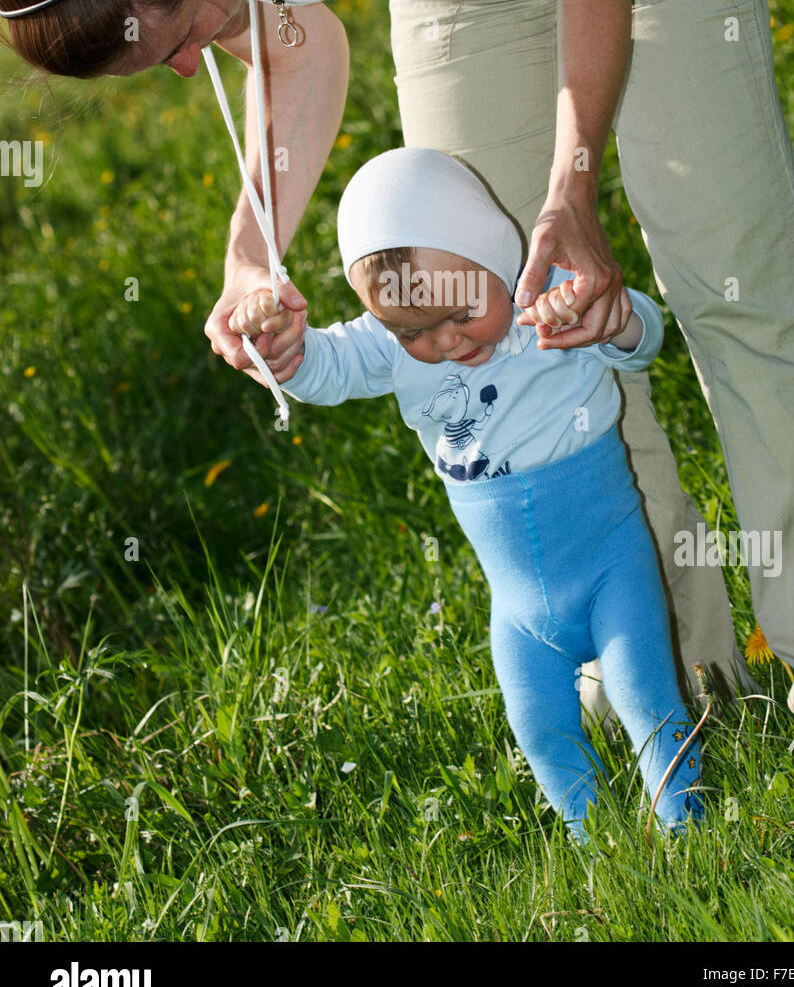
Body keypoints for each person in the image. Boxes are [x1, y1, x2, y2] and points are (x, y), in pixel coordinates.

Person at [0, 0, 794, 730]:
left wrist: (571, 193)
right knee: (512, 310)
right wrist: (250, 251)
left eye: (177, 42)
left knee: (730, 273)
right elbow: (297, 43)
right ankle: (671, 679)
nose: (187, 68)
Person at [230, 146, 705, 842]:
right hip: (517, 607)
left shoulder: (549, 304)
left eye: (460, 313)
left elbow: (642, 335)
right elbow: (327, 369)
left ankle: (689, 833)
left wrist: (616, 319)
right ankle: (594, 842)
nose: (445, 341)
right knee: (538, 728)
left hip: (612, 569)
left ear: (495, 256)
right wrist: (282, 352)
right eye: (413, 331)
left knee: (645, 700)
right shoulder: (395, 342)